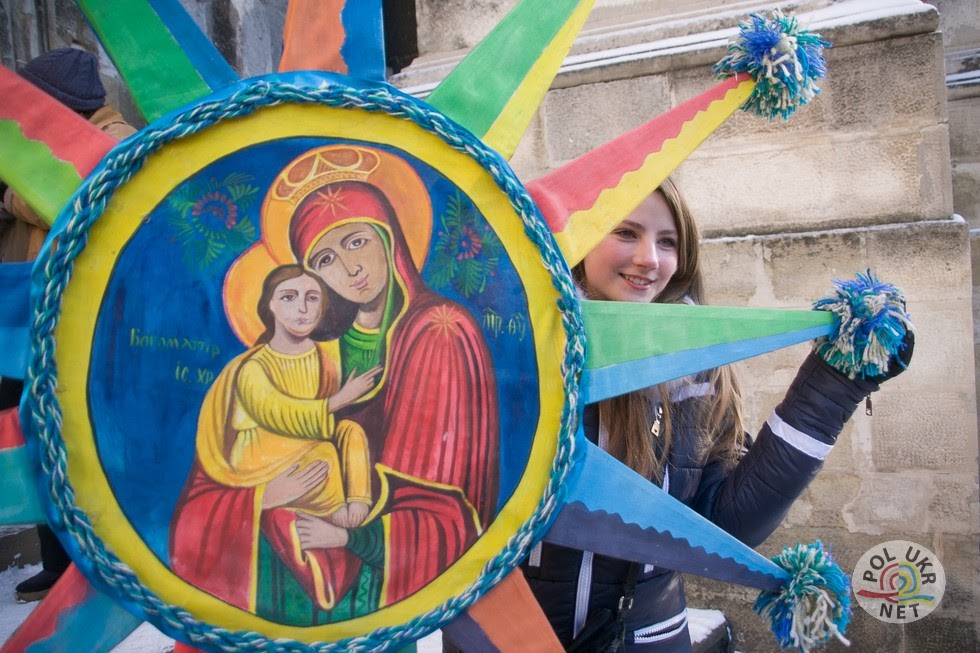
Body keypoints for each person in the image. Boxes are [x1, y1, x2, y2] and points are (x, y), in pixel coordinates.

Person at [517, 178, 912, 652]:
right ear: (579, 237)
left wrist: (832, 388)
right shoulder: (512, 352)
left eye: (668, 242)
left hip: (649, 640)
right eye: (625, 232)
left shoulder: (698, 372)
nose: (650, 259)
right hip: (502, 638)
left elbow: (728, 523)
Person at [170, 145, 500, 627]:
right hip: (294, 546)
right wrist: (261, 497)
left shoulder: (438, 332)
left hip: (377, 561)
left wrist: (351, 531)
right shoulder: (311, 353)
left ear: (390, 238)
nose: (349, 269)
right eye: (325, 259)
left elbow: (435, 498)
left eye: (357, 241)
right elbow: (220, 474)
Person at [3, 46, 136, 603]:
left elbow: (80, 195)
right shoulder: (43, 144)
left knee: (75, 439)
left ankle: (92, 563)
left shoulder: (114, 137)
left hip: (81, 322)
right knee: (38, 437)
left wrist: (13, 193)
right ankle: (58, 563)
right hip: (29, 317)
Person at [205, 264, 380, 527]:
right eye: (289, 297)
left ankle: (357, 503)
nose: (303, 308)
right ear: (271, 304)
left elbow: (326, 426)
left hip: (306, 442)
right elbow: (276, 411)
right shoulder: (254, 366)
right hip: (261, 453)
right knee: (324, 452)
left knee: (350, 431)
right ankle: (334, 511)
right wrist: (340, 400)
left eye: (312, 298)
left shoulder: (324, 359)